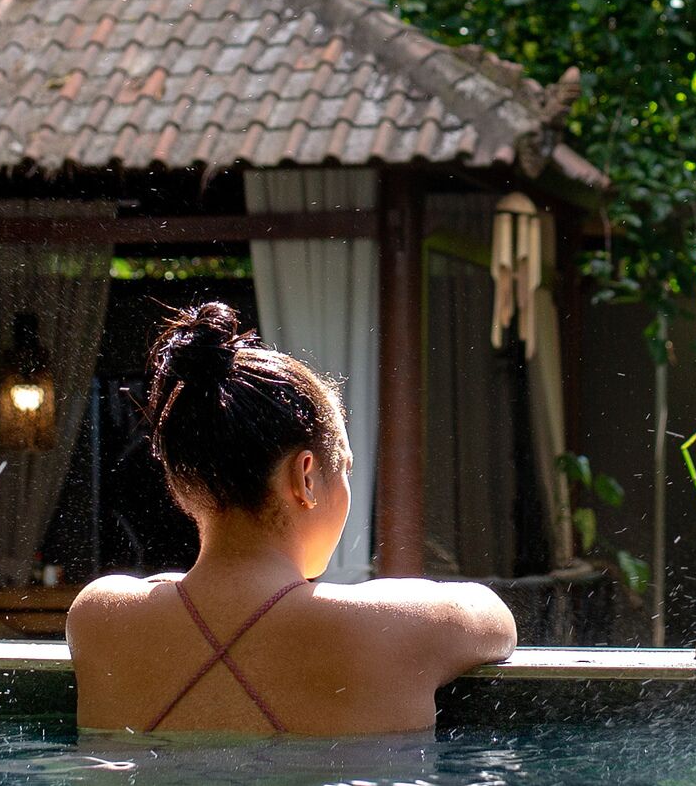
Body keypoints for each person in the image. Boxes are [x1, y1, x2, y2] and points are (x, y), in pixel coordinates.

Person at [68, 303, 515, 735]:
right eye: (344, 468)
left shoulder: (99, 618)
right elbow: (497, 621)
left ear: (183, 483)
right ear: (306, 478)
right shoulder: (392, 627)